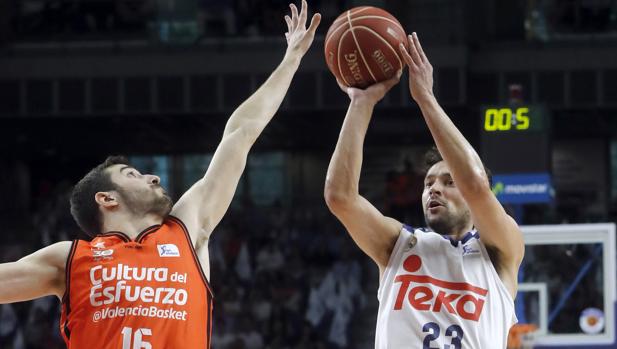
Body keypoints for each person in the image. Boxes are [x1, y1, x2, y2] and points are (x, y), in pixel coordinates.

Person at [0, 2, 321, 348]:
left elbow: (239, 134)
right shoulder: (70, 259)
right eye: (132, 174)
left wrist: (291, 62)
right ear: (107, 198)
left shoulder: (187, 227)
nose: (152, 177)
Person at [324, 32, 524, 348]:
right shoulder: (398, 245)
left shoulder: (501, 248)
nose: (434, 189)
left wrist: (425, 98)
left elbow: (474, 183)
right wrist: (361, 103)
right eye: (428, 183)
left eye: (447, 182)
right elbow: (340, 197)